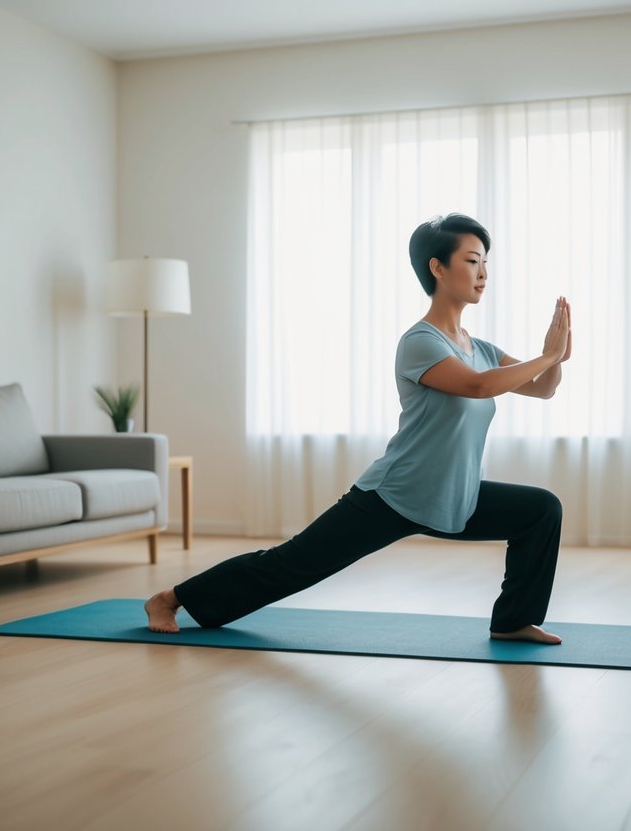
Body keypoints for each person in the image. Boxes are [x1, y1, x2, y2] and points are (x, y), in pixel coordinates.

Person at [145, 213, 572, 643]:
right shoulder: (421, 342)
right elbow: (478, 387)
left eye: (485, 263)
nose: (483, 273)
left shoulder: (479, 348)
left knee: (540, 510)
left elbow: (541, 389)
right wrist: (547, 357)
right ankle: (171, 598)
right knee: (291, 564)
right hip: (397, 493)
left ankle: (514, 621)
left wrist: (556, 357)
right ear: (437, 268)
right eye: (472, 260)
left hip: (454, 495)